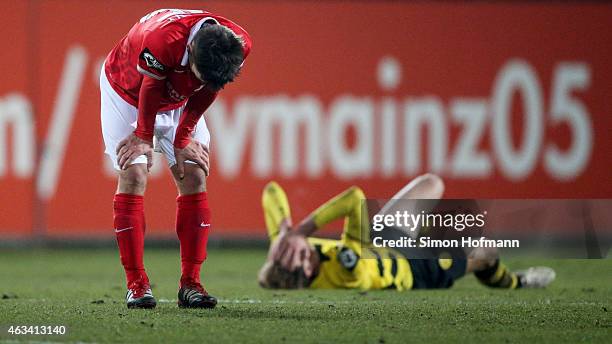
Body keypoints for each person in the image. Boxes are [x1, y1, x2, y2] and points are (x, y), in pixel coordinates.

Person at [100, 9, 251, 309]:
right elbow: (151, 86)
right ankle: (137, 284)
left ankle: (191, 283)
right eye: (196, 73)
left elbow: (211, 86)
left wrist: (183, 136)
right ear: (191, 50)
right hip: (128, 93)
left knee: (194, 174)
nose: (199, 80)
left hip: (179, 101)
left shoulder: (239, 44)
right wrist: (143, 136)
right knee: (133, 174)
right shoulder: (163, 38)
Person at [258, 174, 556, 290]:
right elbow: (355, 198)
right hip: (413, 269)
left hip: (385, 239)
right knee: (485, 252)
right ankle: (517, 282)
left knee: (432, 184)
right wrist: (303, 229)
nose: (294, 248)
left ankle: (434, 236)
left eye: (283, 251)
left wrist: (284, 231)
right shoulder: (347, 269)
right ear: (308, 268)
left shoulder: (288, 251)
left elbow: (270, 190)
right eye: (294, 253)